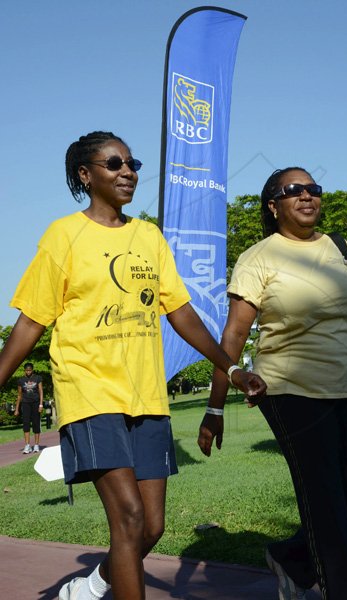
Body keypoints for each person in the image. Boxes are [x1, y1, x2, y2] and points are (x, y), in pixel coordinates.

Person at [0, 131, 266, 600]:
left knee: (152, 526)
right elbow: (29, 323)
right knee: (128, 517)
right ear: (86, 175)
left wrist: (231, 367)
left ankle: (88, 589)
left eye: (132, 163)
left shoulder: (148, 236)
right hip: (89, 390)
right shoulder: (63, 235)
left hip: (146, 394)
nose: (128, 171)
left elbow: (181, 313)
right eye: (114, 163)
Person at [198, 167, 347, 600]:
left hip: (343, 387)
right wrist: (214, 406)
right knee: (327, 507)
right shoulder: (259, 257)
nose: (307, 196)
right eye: (293, 191)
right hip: (286, 390)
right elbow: (233, 335)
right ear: (273, 204)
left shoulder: (340, 248)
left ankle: (291, 559)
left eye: (313, 189)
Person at [14, 362, 43, 453]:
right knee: (26, 424)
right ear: (24, 370)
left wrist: (41, 404)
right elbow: (19, 395)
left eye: (30, 370)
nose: (28, 372)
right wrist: (16, 409)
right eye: (27, 370)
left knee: (36, 424)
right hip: (25, 404)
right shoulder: (21, 380)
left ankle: (36, 445)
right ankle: (27, 446)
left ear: (32, 370)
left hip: (35, 403)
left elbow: (41, 391)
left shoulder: (37, 378)